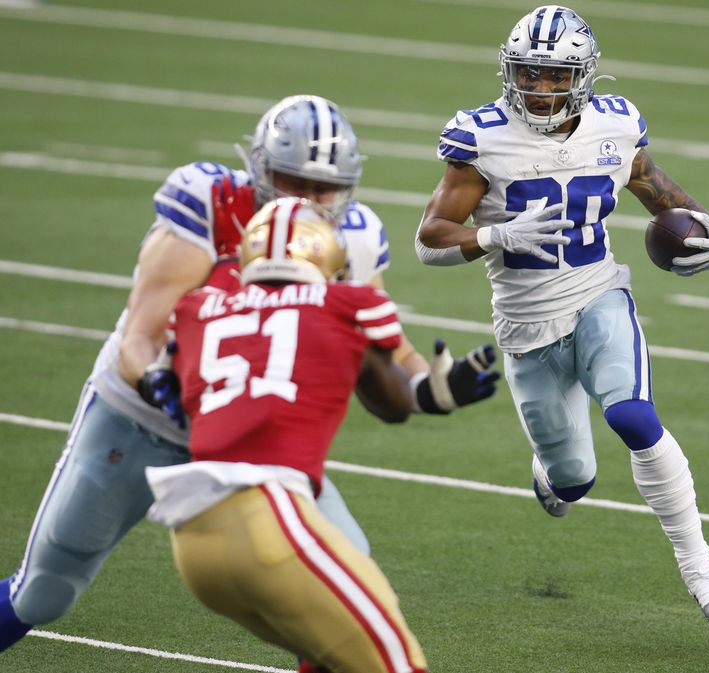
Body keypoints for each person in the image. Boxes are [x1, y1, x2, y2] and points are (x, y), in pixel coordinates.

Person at [0, 95, 499, 650]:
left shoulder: (352, 237)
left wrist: (436, 390)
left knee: (351, 581)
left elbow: (387, 359)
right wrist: (156, 382)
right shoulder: (209, 204)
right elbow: (142, 334)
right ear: (261, 169)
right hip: (141, 418)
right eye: (293, 181)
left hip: (252, 440)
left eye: (324, 187)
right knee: (44, 592)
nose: (310, 199)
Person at [415, 5, 709, 625]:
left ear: (583, 76)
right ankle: (553, 477)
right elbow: (429, 238)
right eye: (529, 74)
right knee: (573, 479)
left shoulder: (615, 125)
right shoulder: (481, 137)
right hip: (526, 325)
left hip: (597, 294)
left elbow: (652, 186)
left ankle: (700, 566)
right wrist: (495, 237)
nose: (539, 89)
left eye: (554, 76)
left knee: (634, 416)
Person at [143, 197, 428, 673]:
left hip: (193, 538)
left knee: (330, 657)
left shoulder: (196, 307)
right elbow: (395, 404)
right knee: (398, 663)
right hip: (266, 514)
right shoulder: (350, 301)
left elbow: (164, 373)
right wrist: (439, 390)